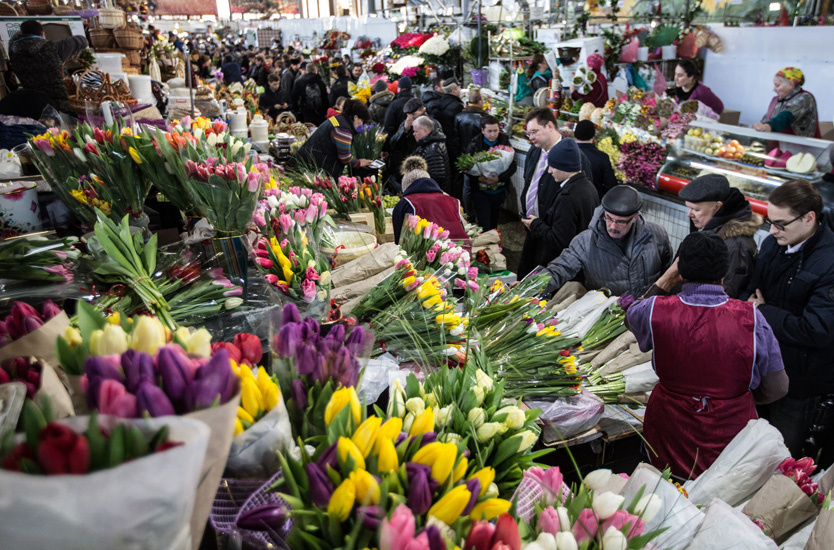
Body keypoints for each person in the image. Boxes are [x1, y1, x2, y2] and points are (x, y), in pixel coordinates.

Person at [628, 231, 787, 479]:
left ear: (680, 269)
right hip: (730, 436)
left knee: (660, 496)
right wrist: (734, 398)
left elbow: (631, 314)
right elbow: (778, 387)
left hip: (668, 431)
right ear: (724, 272)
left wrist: (667, 279)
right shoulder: (751, 317)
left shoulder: (655, 309)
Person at [741, 180, 834, 458]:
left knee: (779, 459)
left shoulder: (829, 262)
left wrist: (763, 311)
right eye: (770, 221)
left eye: (781, 224)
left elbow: (816, 329)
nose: (772, 230)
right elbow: (750, 291)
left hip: (799, 383)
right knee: (746, 451)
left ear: (809, 218)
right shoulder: (773, 244)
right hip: (759, 369)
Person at [542, 185, 671, 297]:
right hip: (609, 317)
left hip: (645, 312)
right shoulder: (585, 242)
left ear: (635, 217)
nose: (613, 226)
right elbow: (560, 268)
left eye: (620, 222)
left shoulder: (656, 234)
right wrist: (532, 285)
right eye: (608, 218)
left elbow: (666, 271)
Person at [517, 108, 597, 278]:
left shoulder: (577, 159)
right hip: (534, 231)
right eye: (528, 133)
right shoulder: (534, 151)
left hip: (553, 240)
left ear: (550, 126)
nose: (530, 137)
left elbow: (579, 201)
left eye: (534, 132)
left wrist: (541, 226)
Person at [677, 174, 763, 298]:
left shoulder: (735, 246)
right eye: (689, 208)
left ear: (717, 206)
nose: (689, 214)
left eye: (696, 210)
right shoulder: (715, 233)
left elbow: (727, 295)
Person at [8, 20, 87, 113]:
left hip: (35, 103)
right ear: (42, 34)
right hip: (63, 103)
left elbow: (13, 39)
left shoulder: (14, 50)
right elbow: (82, 40)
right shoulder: (53, 47)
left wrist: (29, 28)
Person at [392, 156, 469, 245]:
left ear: (406, 186)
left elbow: (400, 242)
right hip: (460, 253)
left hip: (424, 256)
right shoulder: (453, 201)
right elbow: (461, 232)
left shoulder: (406, 203)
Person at [293, 99, 375, 179]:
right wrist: (360, 162)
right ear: (355, 117)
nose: (361, 124)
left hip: (309, 162)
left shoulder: (338, 119)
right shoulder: (343, 129)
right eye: (361, 120)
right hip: (315, 168)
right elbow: (345, 158)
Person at [464, 115, 516, 231]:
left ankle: (494, 245)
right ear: (483, 130)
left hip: (499, 191)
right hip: (480, 192)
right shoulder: (474, 144)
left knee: (494, 222)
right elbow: (466, 168)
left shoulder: (504, 141)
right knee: (483, 224)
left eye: (495, 131)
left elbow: (513, 166)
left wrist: (499, 178)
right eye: (489, 131)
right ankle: (485, 247)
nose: (492, 134)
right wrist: (478, 179)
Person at [752, 67, 821, 138]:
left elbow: (787, 116)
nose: (774, 89)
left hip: (803, 147)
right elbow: (765, 121)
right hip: (778, 145)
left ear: (791, 84)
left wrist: (768, 126)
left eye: (777, 85)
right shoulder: (776, 100)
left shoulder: (804, 97)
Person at [387, 98, 429, 190]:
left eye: (414, 114)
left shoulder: (429, 123)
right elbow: (393, 143)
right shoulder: (406, 123)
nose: (411, 118)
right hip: (401, 167)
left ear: (422, 110)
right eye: (408, 115)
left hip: (417, 168)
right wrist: (404, 129)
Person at [428, 78, 464, 180]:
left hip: (442, 142)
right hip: (453, 143)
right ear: (453, 91)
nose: (460, 89)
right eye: (458, 88)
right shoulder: (457, 107)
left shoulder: (439, 103)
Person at [573, 120, 618, 199]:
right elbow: (611, 186)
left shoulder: (567, 153)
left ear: (575, 134)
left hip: (569, 201)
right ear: (593, 136)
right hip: (594, 202)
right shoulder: (602, 157)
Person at [412, 116, 450, 193]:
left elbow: (437, 176)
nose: (414, 134)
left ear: (425, 131)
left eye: (416, 131)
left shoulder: (433, 149)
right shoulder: (428, 143)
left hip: (435, 192)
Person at [454, 88, 486, 154]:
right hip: (478, 153)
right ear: (480, 101)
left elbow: (455, 138)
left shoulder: (458, 116)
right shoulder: (484, 118)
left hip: (462, 153)